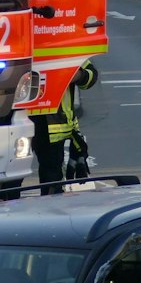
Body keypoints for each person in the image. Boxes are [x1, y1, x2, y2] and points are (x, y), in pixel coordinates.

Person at [30, 60, 99, 193]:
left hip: (52, 125)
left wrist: (76, 75)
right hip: (17, 123)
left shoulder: (65, 49)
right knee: (10, 182)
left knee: (52, 181)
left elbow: (91, 75)